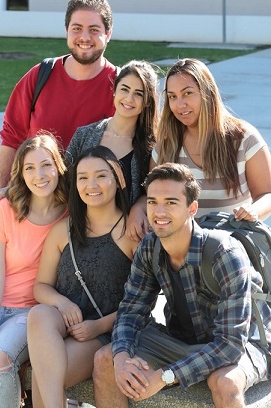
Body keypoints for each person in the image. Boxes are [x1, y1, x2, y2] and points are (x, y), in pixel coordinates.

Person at [92, 162, 271, 408]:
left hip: (242, 346)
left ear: (192, 208)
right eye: (153, 202)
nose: (159, 211)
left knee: (225, 383)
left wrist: (166, 376)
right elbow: (131, 312)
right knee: (106, 359)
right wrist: (122, 356)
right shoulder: (150, 246)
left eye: (171, 202)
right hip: (183, 341)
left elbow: (230, 345)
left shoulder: (224, 252)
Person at [27, 146, 139, 408]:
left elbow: (140, 303)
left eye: (101, 176)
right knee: (39, 314)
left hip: (103, 332)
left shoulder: (130, 233)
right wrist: (63, 303)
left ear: (118, 179)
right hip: (61, 326)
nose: (92, 185)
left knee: (46, 376)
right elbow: (41, 287)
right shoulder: (62, 231)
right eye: (83, 177)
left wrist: (98, 326)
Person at [0, 0, 116, 211]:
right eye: (76, 28)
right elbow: (11, 136)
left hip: (91, 210)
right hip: (36, 206)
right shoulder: (39, 76)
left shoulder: (121, 87)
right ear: (67, 31)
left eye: (94, 30)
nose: (84, 37)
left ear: (108, 33)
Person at [0, 134, 68, 408]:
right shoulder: (5, 210)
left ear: (58, 167)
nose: (39, 175)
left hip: (31, 313)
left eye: (46, 165)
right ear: (20, 173)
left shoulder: (72, 212)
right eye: (30, 168)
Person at [150, 58, 271, 221]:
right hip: (182, 245)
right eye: (172, 97)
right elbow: (150, 197)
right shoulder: (166, 145)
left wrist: (253, 211)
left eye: (187, 93)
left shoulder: (244, 138)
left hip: (234, 241)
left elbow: (267, 194)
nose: (180, 105)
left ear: (207, 92)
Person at [66, 60, 158, 240]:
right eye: (124, 89)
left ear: (147, 101)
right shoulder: (84, 135)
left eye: (138, 94)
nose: (129, 99)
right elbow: (62, 181)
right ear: (114, 90)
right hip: (82, 233)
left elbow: (153, 190)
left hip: (126, 238)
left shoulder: (152, 146)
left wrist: (138, 208)